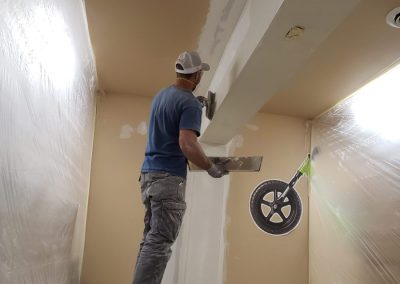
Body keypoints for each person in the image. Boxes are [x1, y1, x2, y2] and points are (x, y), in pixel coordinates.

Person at [132, 51, 227, 284]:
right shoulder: (188, 103)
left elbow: (170, 126)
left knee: (150, 241)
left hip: (148, 176)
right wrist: (210, 167)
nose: (200, 78)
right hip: (167, 180)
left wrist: (197, 104)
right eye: (200, 74)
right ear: (195, 75)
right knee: (159, 242)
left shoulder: (161, 96)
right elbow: (187, 143)